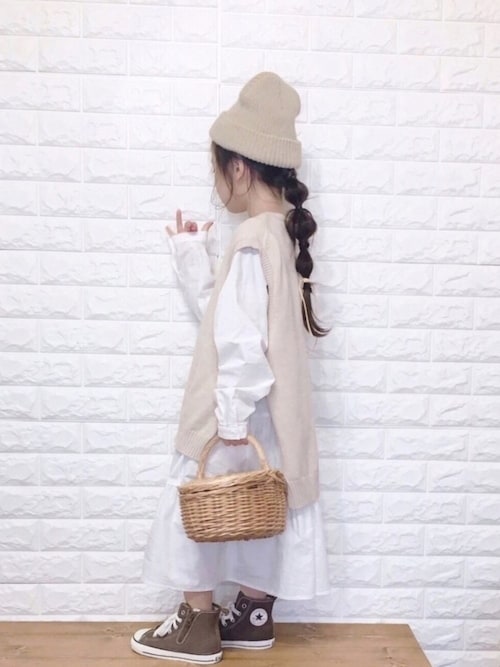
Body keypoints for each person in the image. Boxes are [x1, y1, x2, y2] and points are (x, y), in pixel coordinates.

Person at [131, 71, 330, 664]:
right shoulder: (281, 237)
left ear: (238, 168)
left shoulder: (249, 240)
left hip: (238, 415)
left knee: (201, 505)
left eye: (217, 168)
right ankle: (253, 615)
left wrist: (229, 424)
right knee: (261, 512)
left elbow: (239, 345)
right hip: (272, 419)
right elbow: (236, 322)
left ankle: (197, 624)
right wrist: (195, 261)